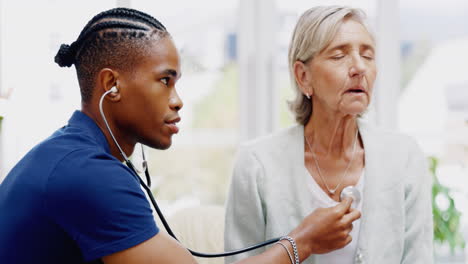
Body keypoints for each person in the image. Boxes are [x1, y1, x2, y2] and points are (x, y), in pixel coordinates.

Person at [0, 7, 361, 264]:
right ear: (112, 85)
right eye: (164, 80)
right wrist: (304, 241)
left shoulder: (72, 154)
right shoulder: (88, 175)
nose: (177, 101)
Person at [224, 6, 433, 264]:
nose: (359, 67)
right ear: (303, 77)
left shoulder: (405, 158)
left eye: (367, 56)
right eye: (339, 56)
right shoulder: (256, 164)